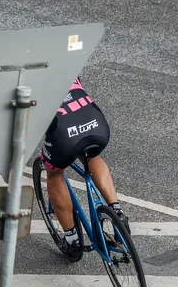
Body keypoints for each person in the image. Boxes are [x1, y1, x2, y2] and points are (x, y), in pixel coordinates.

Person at [40, 78, 129, 261]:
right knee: (91, 156)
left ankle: (72, 241)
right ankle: (117, 210)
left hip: (66, 134)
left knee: (55, 172)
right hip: (95, 123)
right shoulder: (65, 56)